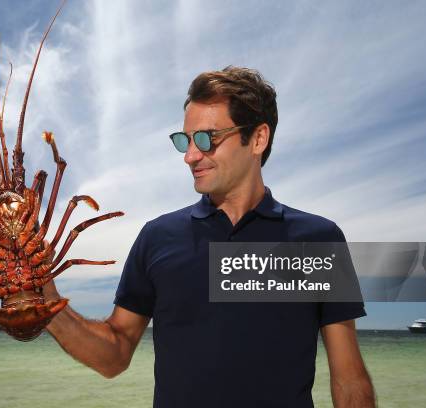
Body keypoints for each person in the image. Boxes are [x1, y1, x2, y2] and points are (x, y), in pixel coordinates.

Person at [43, 66, 375, 407]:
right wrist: (46, 302)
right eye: (184, 141)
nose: (190, 156)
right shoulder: (158, 237)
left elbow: (348, 377)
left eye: (207, 139)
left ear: (258, 138)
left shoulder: (319, 240)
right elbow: (114, 355)